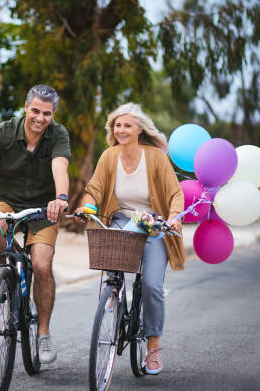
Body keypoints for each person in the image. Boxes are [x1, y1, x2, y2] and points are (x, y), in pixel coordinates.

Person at [0, 84, 70, 364]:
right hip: (7, 202)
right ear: (25, 107)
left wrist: (61, 198)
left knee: (42, 265)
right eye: (35, 111)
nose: (40, 118)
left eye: (47, 113)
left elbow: (60, 168)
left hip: (44, 209)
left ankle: (43, 333)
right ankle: (2, 275)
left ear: (52, 114)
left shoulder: (58, 134)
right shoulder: (3, 132)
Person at [75, 102, 184, 375]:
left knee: (151, 285)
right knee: (112, 272)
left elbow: (175, 193)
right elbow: (94, 189)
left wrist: (174, 216)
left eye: (126, 125)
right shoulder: (109, 156)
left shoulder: (156, 157)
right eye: (117, 125)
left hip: (152, 225)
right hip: (121, 221)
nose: (120, 130)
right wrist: (85, 206)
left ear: (139, 129)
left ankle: (154, 345)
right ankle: (115, 298)